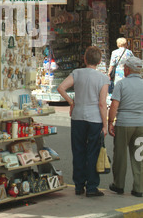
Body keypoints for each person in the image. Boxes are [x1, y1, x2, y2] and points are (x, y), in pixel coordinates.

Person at [57, 46, 109, 197]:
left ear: (85, 59)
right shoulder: (103, 78)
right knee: (93, 151)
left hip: (78, 116)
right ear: (99, 61)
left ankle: (79, 185)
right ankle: (92, 186)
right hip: (94, 118)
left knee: (78, 150)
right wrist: (105, 125)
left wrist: (71, 102)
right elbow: (102, 103)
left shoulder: (77, 73)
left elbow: (61, 88)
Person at [108, 56, 143, 197]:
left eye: (124, 68)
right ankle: (139, 188)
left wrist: (110, 122)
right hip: (141, 124)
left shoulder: (121, 84)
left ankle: (119, 185)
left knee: (120, 156)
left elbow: (114, 105)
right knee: (139, 156)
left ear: (128, 69)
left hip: (124, 123)